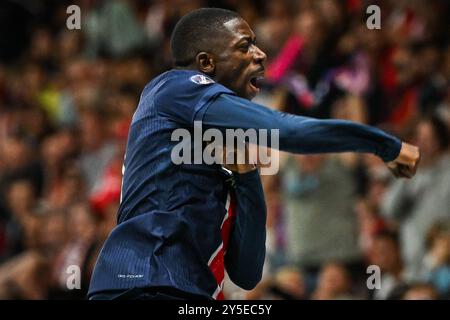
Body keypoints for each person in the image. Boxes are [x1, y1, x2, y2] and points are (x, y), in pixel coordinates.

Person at [88, 8, 420, 300]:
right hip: (146, 280)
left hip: (182, 290)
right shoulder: (176, 86)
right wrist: (385, 145)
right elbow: (288, 130)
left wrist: (247, 178)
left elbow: (246, 273)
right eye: (245, 46)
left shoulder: (214, 149)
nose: (261, 54)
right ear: (206, 62)